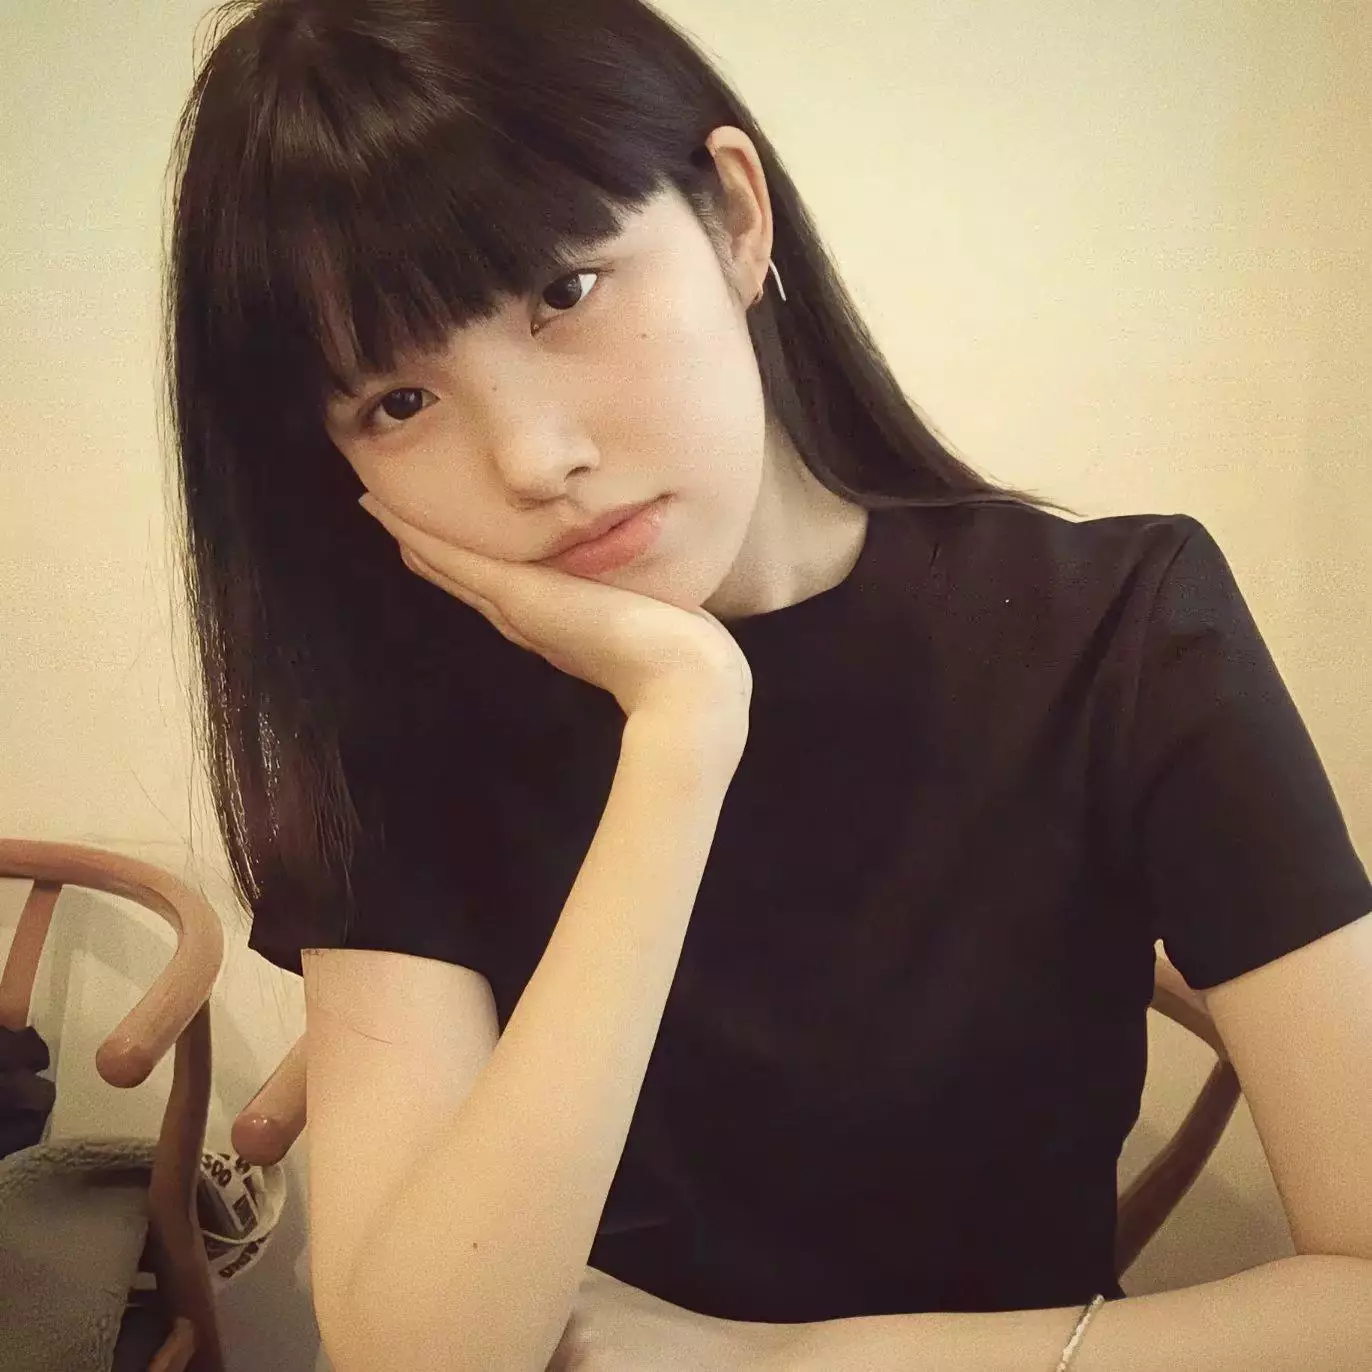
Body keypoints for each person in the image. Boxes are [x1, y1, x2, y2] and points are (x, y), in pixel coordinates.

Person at [162, 2, 1372, 1370]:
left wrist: (786, 1365)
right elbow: (422, 1355)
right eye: (397, 402)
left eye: (564, 292)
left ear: (734, 214)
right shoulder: (402, 724)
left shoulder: (1119, 634)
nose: (533, 460)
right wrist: (683, 731)